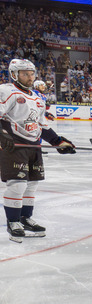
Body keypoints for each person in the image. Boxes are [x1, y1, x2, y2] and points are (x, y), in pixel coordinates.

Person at [0, 59, 76, 242]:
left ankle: (25, 219)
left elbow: (41, 125)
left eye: (31, 74)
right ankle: (13, 222)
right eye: (24, 74)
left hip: (33, 144)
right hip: (14, 144)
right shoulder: (7, 91)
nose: (29, 77)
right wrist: (3, 135)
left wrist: (58, 141)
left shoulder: (37, 98)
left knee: (32, 183)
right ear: (14, 75)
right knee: (17, 183)